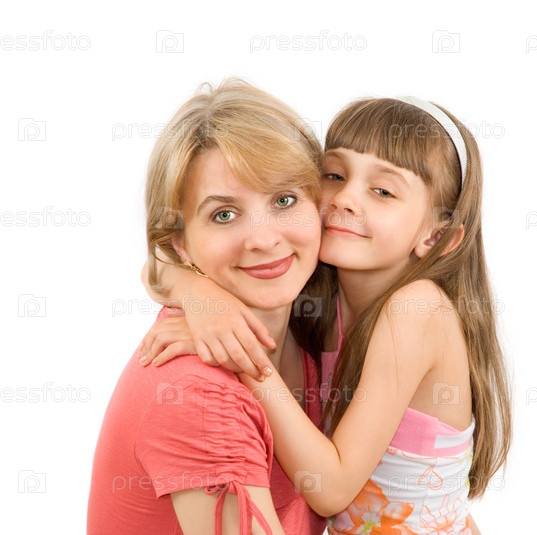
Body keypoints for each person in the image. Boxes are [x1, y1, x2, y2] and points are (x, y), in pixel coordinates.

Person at [140, 95, 511, 532]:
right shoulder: (314, 289)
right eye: (335, 175)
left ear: (436, 236)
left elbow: (331, 489)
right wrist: (202, 297)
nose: (346, 198)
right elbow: (158, 264)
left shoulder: (417, 308)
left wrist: (241, 354)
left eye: (382, 191)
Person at [87, 78, 329, 534]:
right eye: (224, 214)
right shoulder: (197, 398)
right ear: (180, 242)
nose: (263, 239)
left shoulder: (315, 326)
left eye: (284, 199)